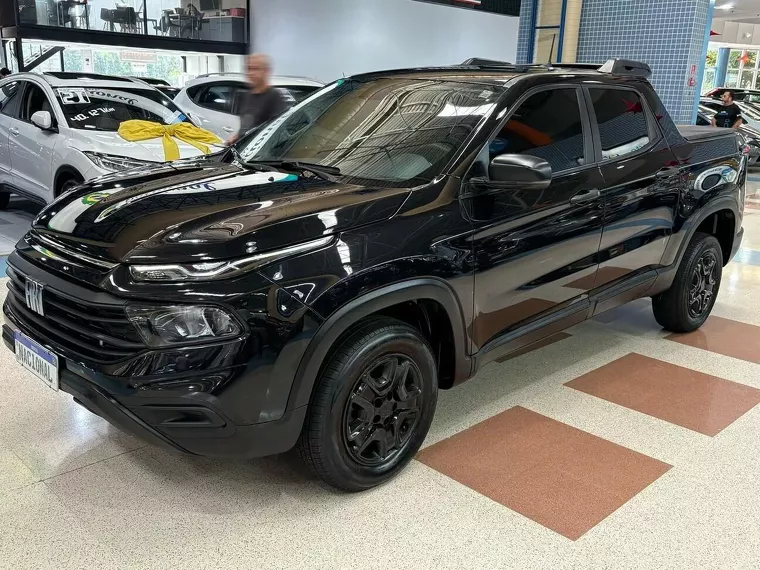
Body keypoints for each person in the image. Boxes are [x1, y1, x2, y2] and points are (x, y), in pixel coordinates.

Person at [227, 53, 288, 145]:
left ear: (266, 71)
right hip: (244, 150)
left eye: (255, 69)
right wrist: (236, 137)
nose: (250, 73)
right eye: (248, 68)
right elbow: (246, 127)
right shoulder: (247, 95)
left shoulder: (274, 97)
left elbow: (278, 133)